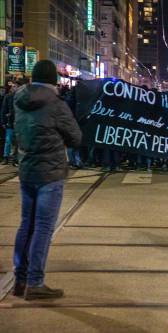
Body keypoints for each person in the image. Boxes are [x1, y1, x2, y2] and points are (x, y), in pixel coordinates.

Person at [12, 60, 82, 300]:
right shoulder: (56, 104)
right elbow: (75, 137)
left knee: (26, 225)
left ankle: (19, 280)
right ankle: (35, 282)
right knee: (43, 227)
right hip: (50, 173)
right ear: (54, 80)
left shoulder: (18, 99)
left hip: (26, 169)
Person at [1, 81, 19, 165]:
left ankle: (15, 158)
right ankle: (6, 157)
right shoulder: (8, 97)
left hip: (19, 122)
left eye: (17, 86)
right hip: (10, 122)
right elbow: (3, 110)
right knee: (8, 140)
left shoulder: (21, 97)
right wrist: (3, 121)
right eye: (14, 86)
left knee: (17, 142)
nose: (15, 88)